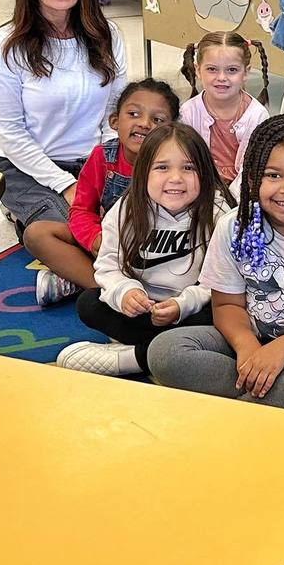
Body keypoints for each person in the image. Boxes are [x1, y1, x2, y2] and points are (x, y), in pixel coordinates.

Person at [148, 116, 284, 415]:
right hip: (246, 341)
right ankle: (276, 397)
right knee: (165, 353)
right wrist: (248, 348)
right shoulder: (232, 226)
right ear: (251, 178)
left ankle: (241, 408)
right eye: (273, 175)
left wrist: (281, 349)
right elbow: (226, 307)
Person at [0, 0, 127, 305]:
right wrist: (65, 184)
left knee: (132, 224)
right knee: (61, 230)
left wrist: (106, 168)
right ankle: (111, 290)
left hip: (95, 158)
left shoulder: (107, 36)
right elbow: (11, 134)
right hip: (28, 165)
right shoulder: (5, 46)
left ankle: (70, 278)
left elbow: (116, 112)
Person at [56, 123, 229, 376]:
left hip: (190, 311)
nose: (175, 178)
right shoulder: (128, 208)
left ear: (204, 172)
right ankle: (163, 351)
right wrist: (126, 292)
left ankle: (133, 357)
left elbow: (220, 284)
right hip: (142, 308)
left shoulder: (219, 214)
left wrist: (183, 305)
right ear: (143, 172)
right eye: (162, 167)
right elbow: (108, 265)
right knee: (89, 303)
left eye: (189, 168)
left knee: (224, 319)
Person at [67, 78, 180, 256]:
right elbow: (82, 210)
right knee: (40, 234)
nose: (144, 123)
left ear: (172, 129)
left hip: (160, 248)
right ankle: (101, 281)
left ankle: (97, 280)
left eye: (157, 119)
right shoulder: (103, 156)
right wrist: (95, 239)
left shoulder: (177, 163)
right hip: (112, 242)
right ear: (114, 121)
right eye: (134, 114)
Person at [180, 31, 270, 188]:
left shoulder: (257, 115)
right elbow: (184, 161)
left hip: (241, 193)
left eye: (232, 70)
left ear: (246, 72)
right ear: (197, 70)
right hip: (198, 188)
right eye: (212, 69)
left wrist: (230, 203)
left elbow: (251, 170)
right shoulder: (188, 112)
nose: (222, 77)